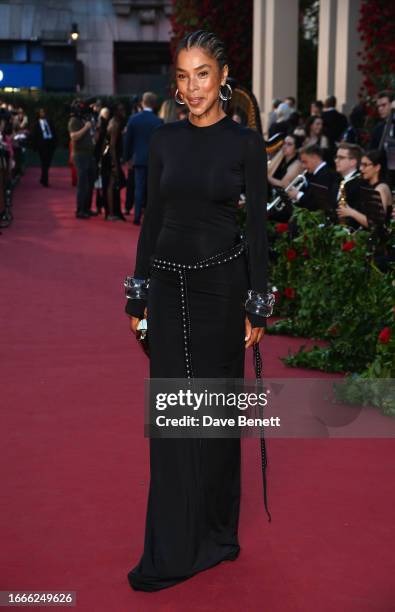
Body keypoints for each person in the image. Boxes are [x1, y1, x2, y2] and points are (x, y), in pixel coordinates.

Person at [124, 29, 272, 592]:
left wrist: (257, 304)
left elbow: (256, 230)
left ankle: (215, 533)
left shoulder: (244, 143)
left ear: (223, 75)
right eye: (183, 77)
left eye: (202, 74)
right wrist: (136, 291)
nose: (193, 88)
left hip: (221, 293)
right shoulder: (163, 139)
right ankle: (171, 543)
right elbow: (153, 219)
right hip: (166, 289)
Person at [124, 92, 163, 225]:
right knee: (152, 189)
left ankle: (136, 217)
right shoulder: (158, 121)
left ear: (142, 102)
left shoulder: (134, 119)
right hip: (154, 160)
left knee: (139, 188)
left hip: (138, 159)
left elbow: (128, 141)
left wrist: (127, 158)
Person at [68, 100, 97, 219]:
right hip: (80, 155)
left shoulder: (85, 120)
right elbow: (74, 136)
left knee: (90, 182)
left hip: (89, 154)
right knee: (83, 183)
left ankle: (87, 208)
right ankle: (80, 210)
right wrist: (86, 127)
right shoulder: (73, 121)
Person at [288, 144, 335, 212]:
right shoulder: (318, 173)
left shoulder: (324, 174)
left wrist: (297, 195)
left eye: (305, 162)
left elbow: (316, 204)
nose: (303, 166)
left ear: (315, 157)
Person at [333, 142, 364, 229]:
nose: (336, 160)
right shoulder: (337, 180)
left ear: (353, 162)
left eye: (341, 158)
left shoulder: (359, 183)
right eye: (336, 157)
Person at [32, 108, 57, 187]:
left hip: (50, 144)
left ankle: (43, 178)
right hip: (42, 145)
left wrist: (55, 143)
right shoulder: (36, 124)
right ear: (38, 114)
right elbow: (34, 136)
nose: (43, 113)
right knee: (44, 163)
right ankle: (45, 181)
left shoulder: (49, 121)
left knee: (47, 163)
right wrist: (35, 146)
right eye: (41, 112)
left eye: (43, 112)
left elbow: (54, 131)